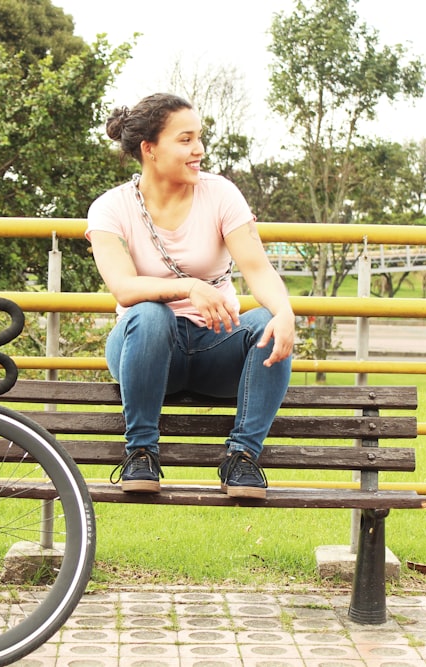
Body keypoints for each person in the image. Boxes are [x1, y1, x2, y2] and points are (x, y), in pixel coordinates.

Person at [85, 93, 295, 500]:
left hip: (216, 345)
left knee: (265, 322)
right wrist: (189, 287)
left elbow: (257, 269)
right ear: (150, 149)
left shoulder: (221, 194)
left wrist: (284, 311)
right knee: (149, 313)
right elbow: (124, 288)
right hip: (144, 350)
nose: (198, 150)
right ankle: (141, 452)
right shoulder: (111, 208)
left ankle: (243, 457)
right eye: (185, 140)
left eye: (199, 138)